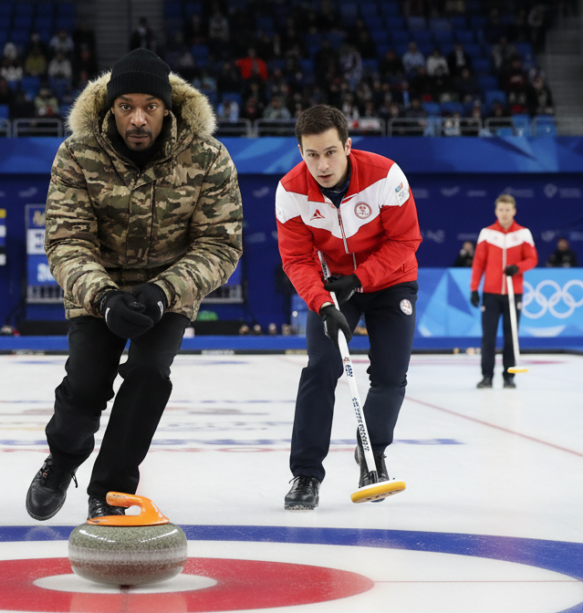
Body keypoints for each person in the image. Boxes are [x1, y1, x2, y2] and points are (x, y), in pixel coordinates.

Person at [25, 48, 243, 521]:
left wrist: (164, 292)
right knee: (86, 381)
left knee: (148, 376)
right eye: (126, 107)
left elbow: (221, 244)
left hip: (168, 293)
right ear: (109, 107)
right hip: (95, 291)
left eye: (150, 106)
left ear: (168, 108)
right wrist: (102, 297)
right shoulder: (77, 154)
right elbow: (67, 240)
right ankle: (61, 462)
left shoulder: (207, 157)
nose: (138, 119)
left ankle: (111, 489)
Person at [275, 104, 422, 511]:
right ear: (301, 151)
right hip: (334, 291)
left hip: (392, 282)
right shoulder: (290, 192)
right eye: (311, 155)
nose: (322, 165)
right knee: (321, 368)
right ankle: (305, 474)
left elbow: (405, 241)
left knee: (391, 374)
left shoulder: (385, 176)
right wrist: (323, 305)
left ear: (348, 146)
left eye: (330, 152)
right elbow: (296, 261)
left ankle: (371, 455)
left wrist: (359, 279)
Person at [470, 194, 538, 389]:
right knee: (488, 337)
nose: (504, 213)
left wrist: (517, 267)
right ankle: (487, 376)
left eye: (508, 210)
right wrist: (474, 288)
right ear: (496, 211)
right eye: (501, 210)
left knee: (511, 336)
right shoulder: (487, 233)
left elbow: (532, 259)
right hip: (490, 293)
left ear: (514, 211)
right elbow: (478, 263)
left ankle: (509, 376)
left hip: (513, 293)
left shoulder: (523, 233)